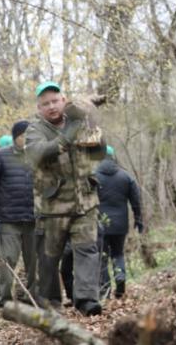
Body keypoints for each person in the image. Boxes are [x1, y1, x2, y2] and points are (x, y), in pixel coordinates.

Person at [24, 82, 104, 316]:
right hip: (53, 206)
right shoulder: (34, 130)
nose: (51, 107)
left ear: (64, 100)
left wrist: (92, 123)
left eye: (55, 101)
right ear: (39, 108)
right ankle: (51, 303)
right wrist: (71, 132)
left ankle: (87, 300)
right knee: (49, 258)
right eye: (45, 104)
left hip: (85, 202)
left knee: (87, 251)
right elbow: (39, 153)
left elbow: (98, 153)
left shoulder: (80, 121)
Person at [0, 121, 37, 306]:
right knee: (7, 260)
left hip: (34, 218)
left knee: (34, 262)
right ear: (16, 137)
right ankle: (3, 299)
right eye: (24, 136)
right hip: (8, 218)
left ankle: (31, 298)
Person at [95, 146, 144, 299]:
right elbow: (135, 201)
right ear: (113, 157)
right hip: (120, 224)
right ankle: (120, 279)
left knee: (102, 256)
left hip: (100, 223)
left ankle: (105, 289)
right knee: (118, 254)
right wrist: (138, 219)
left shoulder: (93, 176)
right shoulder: (126, 176)